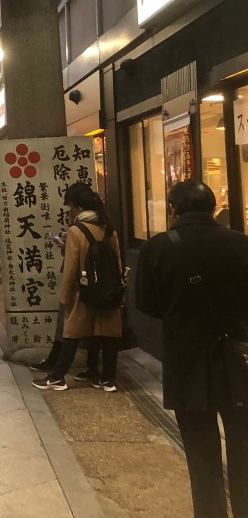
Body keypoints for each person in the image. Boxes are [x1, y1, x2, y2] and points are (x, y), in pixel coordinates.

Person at [135, 180, 248, 518]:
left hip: (186, 359)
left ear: (174, 209)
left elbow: (146, 303)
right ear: (213, 208)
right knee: (244, 447)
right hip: (237, 359)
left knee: (201, 453)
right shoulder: (241, 243)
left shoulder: (157, 247)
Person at [33, 182, 122, 391]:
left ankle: (57, 377)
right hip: (109, 289)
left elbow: (71, 268)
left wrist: (66, 296)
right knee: (108, 334)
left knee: (72, 333)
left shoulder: (76, 230)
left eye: (71, 207)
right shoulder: (108, 228)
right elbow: (117, 263)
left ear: (79, 208)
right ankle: (108, 379)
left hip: (85, 290)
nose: (70, 211)